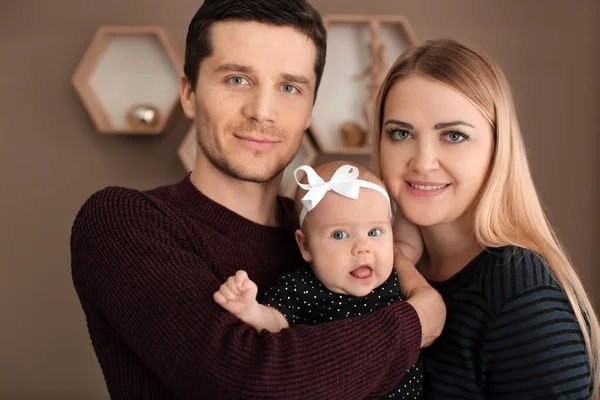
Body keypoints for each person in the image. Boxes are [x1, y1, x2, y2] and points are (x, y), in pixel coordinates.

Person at [69, 1, 446, 398]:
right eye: (237, 79)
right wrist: (418, 321)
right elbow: (245, 382)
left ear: (309, 110)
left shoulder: (330, 228)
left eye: (289, 87)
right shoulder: (124, 221)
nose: (263, 112)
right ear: (189, 94)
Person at [372, 38, 600, 399]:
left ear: (497, 148)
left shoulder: (526, 304)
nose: (423, 161)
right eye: (401, 133)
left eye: (453, 135)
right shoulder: (369, 267)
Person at [214, 161, 424, 399]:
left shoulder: (393, 274)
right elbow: (275, 322)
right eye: (339, 235)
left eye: (375, 232)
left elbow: (410, 243)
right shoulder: (303, 287)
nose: (362, 248)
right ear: (305, 245)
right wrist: (250, 309)